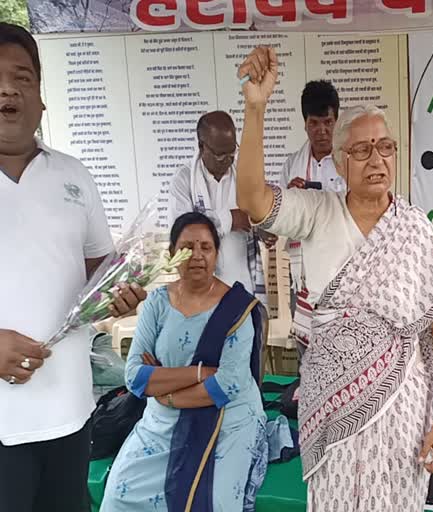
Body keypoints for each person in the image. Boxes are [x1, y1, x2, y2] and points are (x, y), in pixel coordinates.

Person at [236, 47, 433, 511]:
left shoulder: (414, 229)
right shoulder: (318, 212)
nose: (376, 159)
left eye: (385, 147)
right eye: (360, 149)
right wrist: (255, 108)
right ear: (339, 163)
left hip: (401, 408)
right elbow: (254, 199)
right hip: (329, 404)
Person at [0, 23, 144, 512]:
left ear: (41, 97)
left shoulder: (74, 177)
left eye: (22, 77)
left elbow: (98, 274)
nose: (8, 90)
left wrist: (119, 291)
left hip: (71, 412)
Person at [101, 212, 269, 511]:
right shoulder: (157, 302)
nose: (197, 256)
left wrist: (164, 386)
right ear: (172, 254)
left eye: (206, 247)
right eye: (188, 247)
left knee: (215, 502)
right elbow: (136, 377)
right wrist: (200, 373)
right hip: (162, 421)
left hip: (228, 418)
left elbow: (226, 386)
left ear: (217, 254)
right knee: (119, 492)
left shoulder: (236, 309)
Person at [170, 111, 268, 304]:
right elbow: (181, 236)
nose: (228, 160)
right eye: (220, 155)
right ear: (201, 146)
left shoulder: (244, 176)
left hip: (243, 286)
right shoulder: (183, 180)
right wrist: (229, 219)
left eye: (232, 152)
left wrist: (265, 229)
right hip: (200, 292)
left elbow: (260, 215)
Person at [278, 80, 344, 352]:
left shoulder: (349, 160)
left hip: (342, 271)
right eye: (314, 123)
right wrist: (292, 200)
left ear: (337, 120)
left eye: (328, 122)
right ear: (304, 123)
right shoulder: (292, 164)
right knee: (307, 348)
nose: (322, 131)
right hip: (303, 272)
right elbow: (279, 217)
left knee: (343, 346)